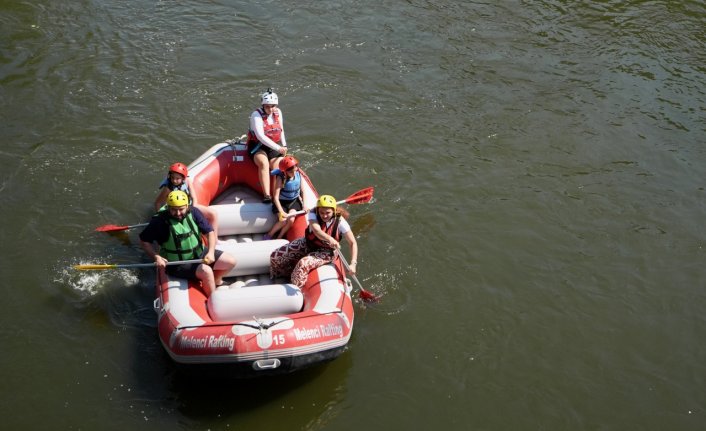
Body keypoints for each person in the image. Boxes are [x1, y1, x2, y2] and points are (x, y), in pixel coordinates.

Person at [139, 190, 236, 296]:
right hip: (177, 263)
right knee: (206, 271)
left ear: (187, 205)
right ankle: (213, 300)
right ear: (168, 207)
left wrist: (211, 252)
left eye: (181, 209)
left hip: (199, 253)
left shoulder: (194, 212)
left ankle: (217, 280)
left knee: (231, 261)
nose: (177, 213)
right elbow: (144, 241)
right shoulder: (159, 222)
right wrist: (156, 257)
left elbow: (210, 232)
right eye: (173, 210)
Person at [270, 195, 358, 288]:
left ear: (334, 211)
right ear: (317, 210)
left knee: (303, 264)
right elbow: (317, 231)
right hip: (308, 243)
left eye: (328, 212)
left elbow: (353, 243)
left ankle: (297, 288)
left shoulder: (340, 222)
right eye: (321, 212)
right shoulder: (313, 213)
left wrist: (353, 263)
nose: (324, 215)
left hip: (327, 252)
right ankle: (282, 276)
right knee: (275, 255)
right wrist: (330, 239)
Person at [154, 162, 219, 237]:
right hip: (176, 210)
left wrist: (193, 210)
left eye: (177, 178)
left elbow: (194, 197)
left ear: (183, 178)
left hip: (189, 206)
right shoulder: (168, 188)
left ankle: (215, 239)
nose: (174, 181)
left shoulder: (187, 181)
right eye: (172, 178)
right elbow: (157, 203)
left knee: (213, 214)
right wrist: (159, 216)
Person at [246, 88, 287, 203]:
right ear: (263, 105)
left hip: (272, 145)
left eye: (273, 106)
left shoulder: (278, 112)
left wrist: (284, 145)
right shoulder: (256, 115)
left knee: (277, 167)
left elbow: (281, 129)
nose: (270, 109)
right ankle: (267, 195)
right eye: (267, 106)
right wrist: (278, 148)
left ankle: (276, 195)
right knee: (263, 163)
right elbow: (260, 136)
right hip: (257, 146)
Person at [264, 155, 309, 240]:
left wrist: (305, 205)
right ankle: (269, 234)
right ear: (285, 172)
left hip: (294, 201)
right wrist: (281, 211)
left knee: (291, 220)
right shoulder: (280, 178)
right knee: (283, 221)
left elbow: (302, 191)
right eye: (291, 172)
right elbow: (276, 197)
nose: (293, 173)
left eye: (295, 170)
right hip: (282, 202)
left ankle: (280, 237)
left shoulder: (298, 174)